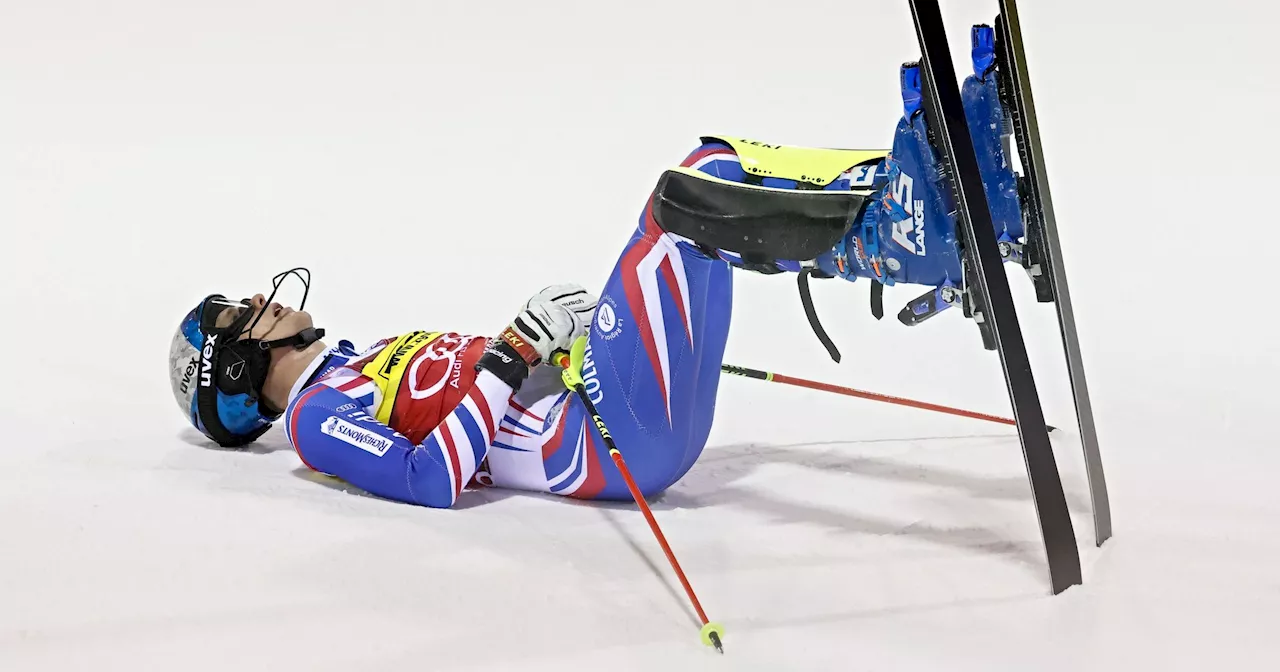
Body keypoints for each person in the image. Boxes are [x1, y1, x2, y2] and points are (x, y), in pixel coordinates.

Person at [168, 36, 1028, 509]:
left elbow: (495, 393)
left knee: (712, 166)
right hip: (601, 445)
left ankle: (930, 191)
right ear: (237, 369)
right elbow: (427, 480)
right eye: (243, 316)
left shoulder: (363, 357)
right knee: (677, 209)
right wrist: (511, 353)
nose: (261, 300)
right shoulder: (320, 418)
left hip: (610, 414)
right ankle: (906, 234)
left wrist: (557, 347)